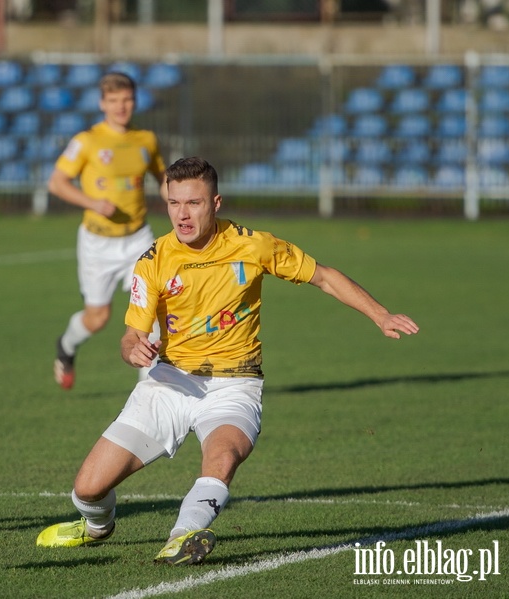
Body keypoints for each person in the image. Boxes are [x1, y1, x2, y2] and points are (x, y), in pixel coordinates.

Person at [36, 157, 419, 564]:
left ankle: (184, 536)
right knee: (88, 489)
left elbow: (323, 276)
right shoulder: (153, 261)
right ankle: (97, 526)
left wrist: (380, 314)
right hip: (169, 383)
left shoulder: (253, 245)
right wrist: (132, 348)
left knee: (221, 458)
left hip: (235, 385)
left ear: (215, 203)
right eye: (174, 202)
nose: (182, 213)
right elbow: (132, 333)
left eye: (194, 203)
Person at [48, 71, 166, 390]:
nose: (121, 107)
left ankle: (147, 393)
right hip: (98, 243)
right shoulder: (86, 142)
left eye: (126, 99)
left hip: (138, 239)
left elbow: (164, 182)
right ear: (102, 103)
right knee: (97, 318)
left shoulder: (146, 140)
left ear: (135, 101)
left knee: (153, 310)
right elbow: (56, 183)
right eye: (113, 101)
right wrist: (92, 202)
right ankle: (66, 346)